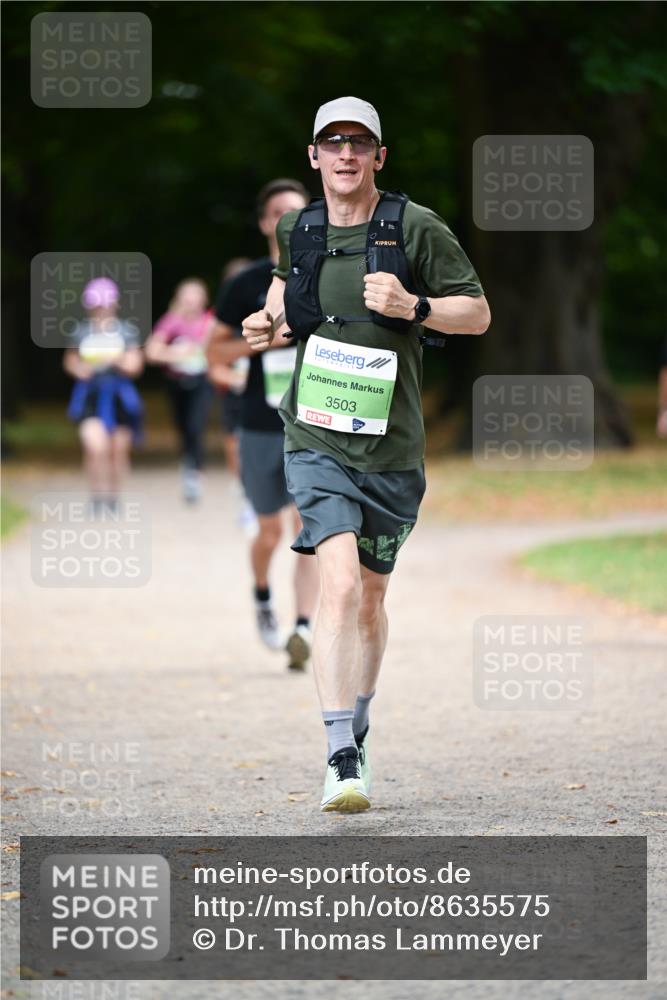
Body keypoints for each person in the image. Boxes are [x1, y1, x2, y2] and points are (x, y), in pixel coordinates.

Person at [241, 98, 491, 813]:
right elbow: (283, 295)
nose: (345, 155)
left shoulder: (415, 227)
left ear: (379, 156)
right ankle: (339, 755)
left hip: (392, 445)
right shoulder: (299, 227)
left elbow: (475, 313)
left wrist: (414, 306)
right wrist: (266, 321)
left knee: (372, 599)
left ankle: (360, 718)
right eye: (332, 143)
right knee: (340, 587)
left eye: (360, 144)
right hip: (314, 433)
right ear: (313, 156)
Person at [207, 179, 319, 670]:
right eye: (278, 212)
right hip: (259, 422)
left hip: (316, 421)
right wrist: (267, 342)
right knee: (271, 530)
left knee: (309, 527)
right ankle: (261, 599)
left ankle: (303, 628)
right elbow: (214, 350)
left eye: (296, 211)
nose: (287, 220)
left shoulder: (326, 274)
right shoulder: (245, 282)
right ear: (263, 222)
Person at [64, 276, 144, 513]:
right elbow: (70, 361)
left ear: (114, 304)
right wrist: (80, 369)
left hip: (120, 396)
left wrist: (114, 358)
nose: (101, 309)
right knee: (95, 446)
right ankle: (97, 496)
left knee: (116, 451)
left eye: (105, 304)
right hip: (90, 395)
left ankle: (113, 498)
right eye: (96, 305)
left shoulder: (126, 331)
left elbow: (135, 365)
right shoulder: (81, 331)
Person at [145, 278, 215, 503]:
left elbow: (219, 349)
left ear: (203, 300)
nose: (191, 302)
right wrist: (177, 354)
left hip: (202, 382)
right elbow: (152, 352)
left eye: (196, 297)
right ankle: (188, 462)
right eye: (187, 297)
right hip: (176, 383)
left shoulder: (210, 321)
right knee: (183, 427)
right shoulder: (171, 322)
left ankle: (195, 472)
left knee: (196, 425)